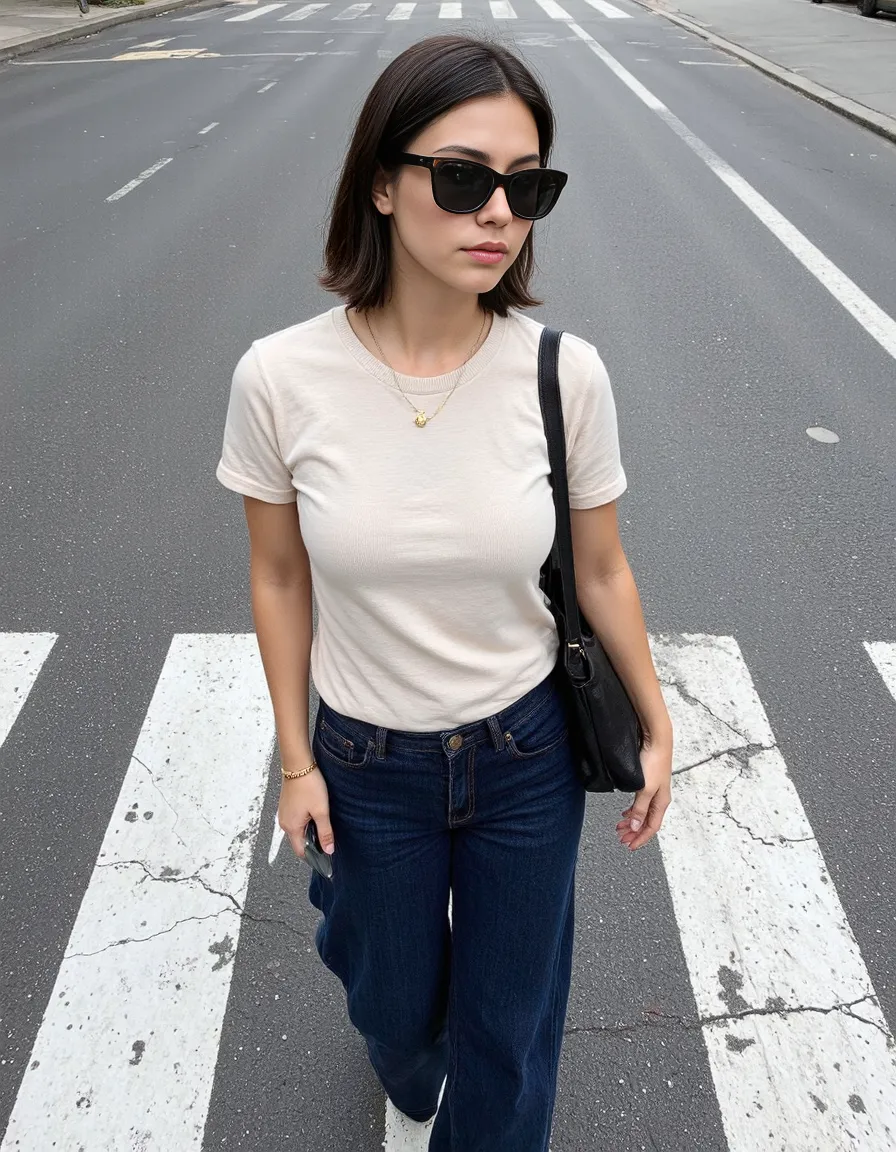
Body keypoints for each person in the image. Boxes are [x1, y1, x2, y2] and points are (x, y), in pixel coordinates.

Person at [215, 32, 673, 1152]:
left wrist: (656, 720)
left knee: (507, 1039)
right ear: (382, 183)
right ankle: (401, 1034)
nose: (498, 214)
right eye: (464, 178)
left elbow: (600, 568)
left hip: (525, 755)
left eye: (527, 187)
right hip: (366, 764)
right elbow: (278, 574)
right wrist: (297, 761)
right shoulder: (280, 378)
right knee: (394, 1008)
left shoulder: (562, 374)